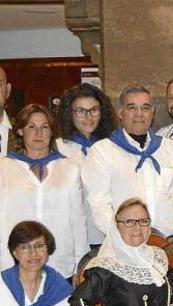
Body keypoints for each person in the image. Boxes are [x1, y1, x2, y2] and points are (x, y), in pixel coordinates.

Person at [83, 84, 173, 241]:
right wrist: (123, 237)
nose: (139, 114)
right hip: (124, 244)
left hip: (169, 243)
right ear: (120, 113)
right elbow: (99, 204)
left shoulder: (170, 148)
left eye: (145, 107)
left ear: (152, 112)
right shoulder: (102, 152)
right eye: (132, 108)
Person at [0, 104, 88, 281]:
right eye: (31, 126)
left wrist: (82, 267)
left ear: (52, 132)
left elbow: (78, 222)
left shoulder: (69, 168)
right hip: (13, 265)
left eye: (44, 127)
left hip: (60, 265)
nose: (38, 133)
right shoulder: (3, 168)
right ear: (20, 131)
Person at [56, 83, 118, 247]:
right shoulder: (58, 148)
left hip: (107, 235)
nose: (88, 117)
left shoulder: (112, 147)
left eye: (94, 110)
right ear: (70, 114)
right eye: (81, 111)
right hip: (71, 235)